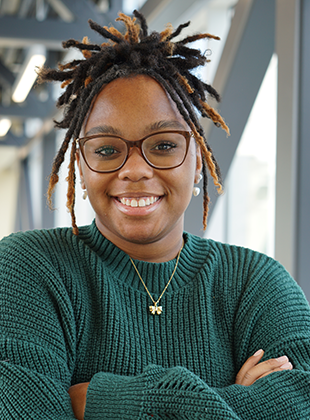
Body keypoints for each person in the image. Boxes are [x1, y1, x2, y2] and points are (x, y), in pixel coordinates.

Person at [1, 11, 310, 420]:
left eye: (163, 145)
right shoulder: (26, 269)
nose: (135, 169)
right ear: (81, 164)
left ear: (197, 159)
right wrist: (233, 403)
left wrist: (98, 401)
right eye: (107, 149)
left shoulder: (256, 283)